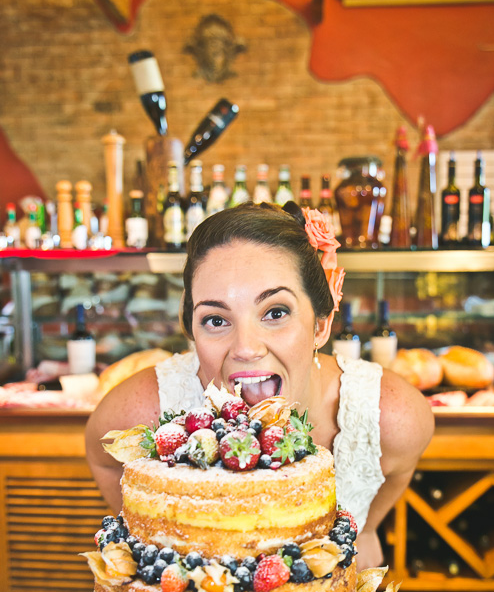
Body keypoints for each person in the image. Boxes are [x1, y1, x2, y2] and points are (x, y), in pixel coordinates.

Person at [86, 202, 434, 569]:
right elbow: (102, 456)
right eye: (216, 320)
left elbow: (384, 491)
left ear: (320, 324)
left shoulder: (392, 418)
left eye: (275, 313)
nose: (246, 349)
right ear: (191, 330)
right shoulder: (146, 409)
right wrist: (153, 530)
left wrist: (363, 531)